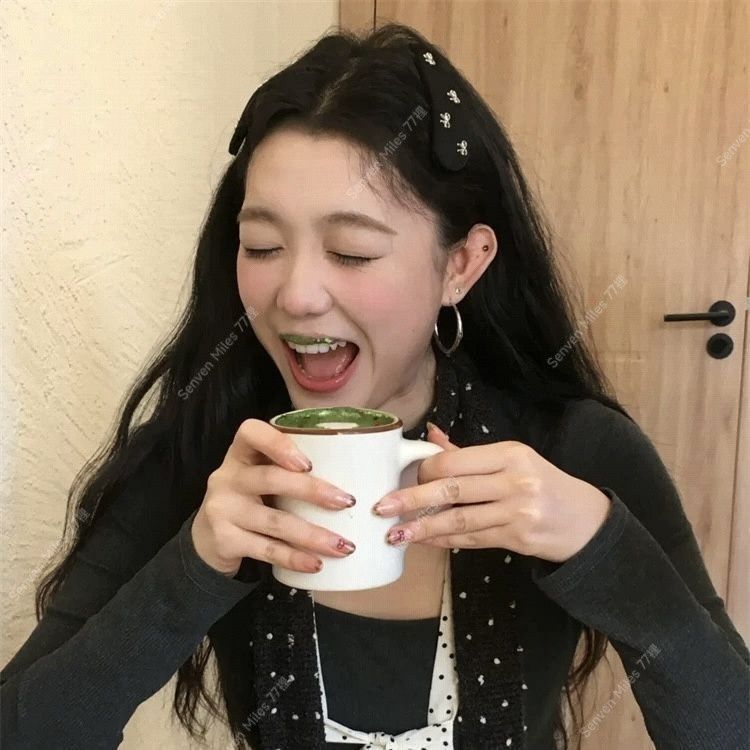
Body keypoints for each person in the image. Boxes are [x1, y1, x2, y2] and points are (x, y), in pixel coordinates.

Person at [2, 21, 748, 750]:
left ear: (461, 264)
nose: (296, 296)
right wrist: (193, 568)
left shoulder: (575, 452)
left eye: (352, 252)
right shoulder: (202, 453)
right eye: (262, 245)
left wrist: (604, 549)